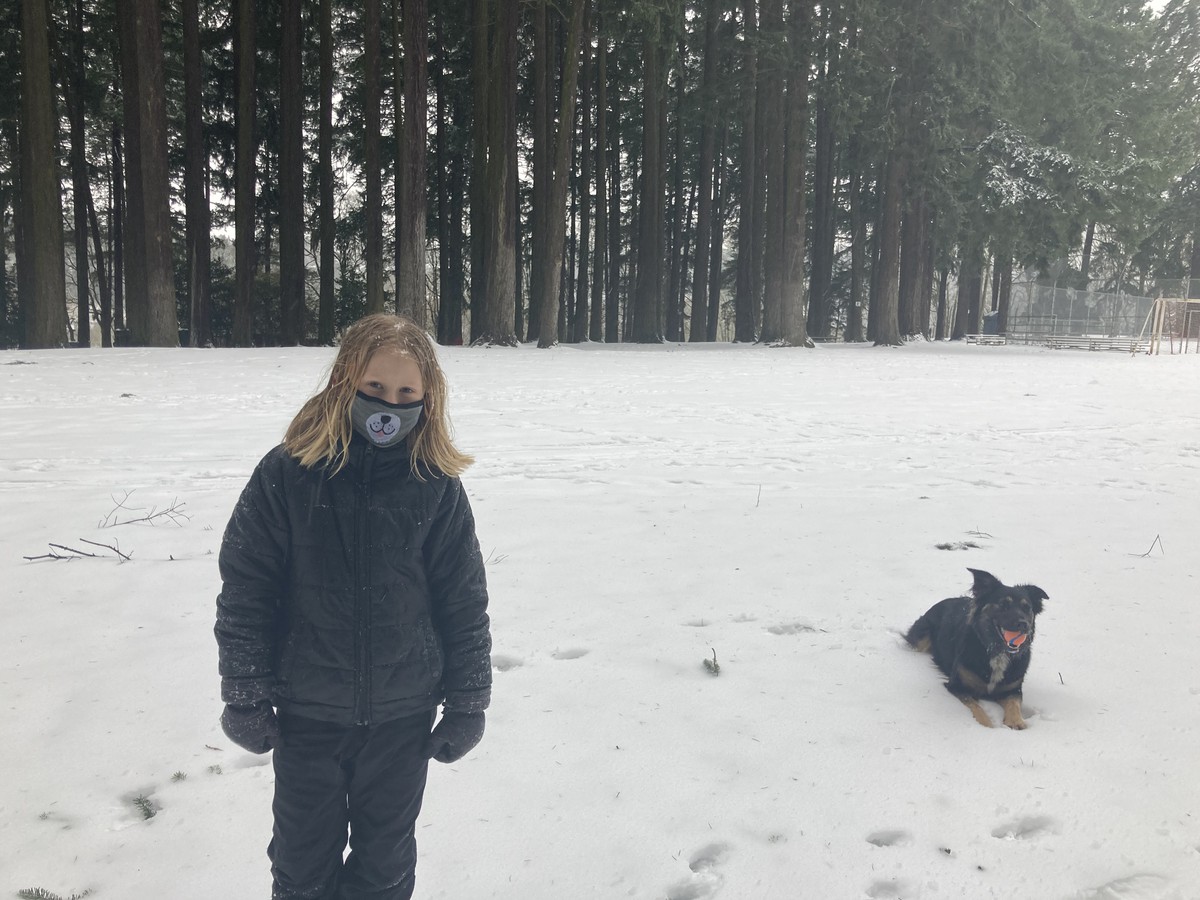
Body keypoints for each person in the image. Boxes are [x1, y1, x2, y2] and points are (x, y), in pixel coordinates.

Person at [214, 313, 492, 900]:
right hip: (307, 714)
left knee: (385, 868)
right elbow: (246, 588)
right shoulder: (288, 472)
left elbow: (463, 598)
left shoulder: (435, 482)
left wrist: (467, 703)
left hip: (402, 717)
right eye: (374, 388)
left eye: (406, 393)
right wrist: (244, 693)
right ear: (344, 382)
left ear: (427, 398)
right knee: (301, 864)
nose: (390, 403)